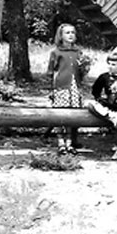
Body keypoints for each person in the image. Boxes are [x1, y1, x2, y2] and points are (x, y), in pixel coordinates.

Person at [47, 23, 91, 154]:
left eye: (73, 32)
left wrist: (85, 67)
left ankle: (70, 142)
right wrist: (51, 89)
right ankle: (61, 142)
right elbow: (51, 71)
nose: (70, 35)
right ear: (61, 36)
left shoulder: (78, 52)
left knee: (73, 114)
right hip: (62, 86)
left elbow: (82, 72)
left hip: (75, 87)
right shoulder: (56, 52)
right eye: (67, 33)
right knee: (61, 114)